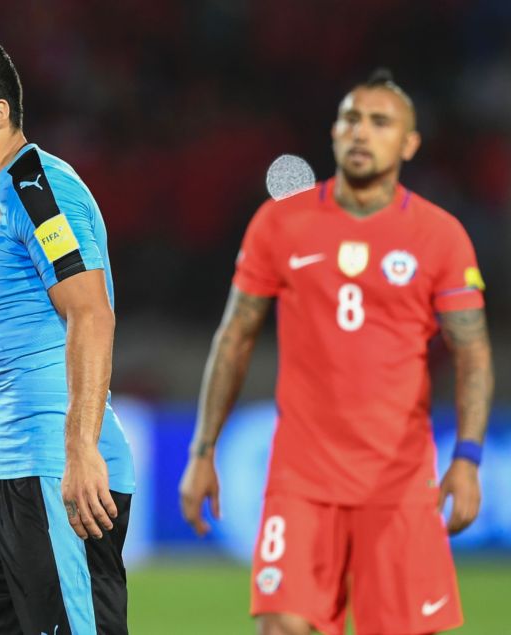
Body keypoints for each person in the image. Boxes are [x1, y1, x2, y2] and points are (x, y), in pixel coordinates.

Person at [179, 69, 493, 635]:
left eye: (380, 122)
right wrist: (203, 450)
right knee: (283, 625)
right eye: (351, 118)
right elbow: (235, 335)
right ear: (333, 132)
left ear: (409, 142)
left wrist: (468, 458)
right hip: (301, 480)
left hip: (397, 483)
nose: (361, 132)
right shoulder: (281, 222)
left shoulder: (439, 235)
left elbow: (472, 351)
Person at [0, 38, 135, 635]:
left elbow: (90, 314)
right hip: (10, 472)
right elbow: (10, 349)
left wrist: (82, 449)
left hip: (56, 474)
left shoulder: (37, 189)